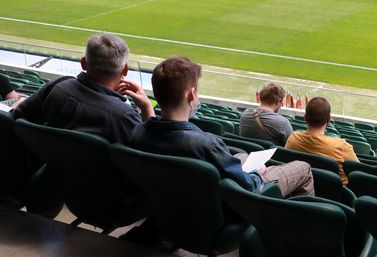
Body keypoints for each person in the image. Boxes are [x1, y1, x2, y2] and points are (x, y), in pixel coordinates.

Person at [129, 56, 313, 197]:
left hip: (176, 201)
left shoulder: (138, 133)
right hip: (227, 206)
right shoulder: (206, 144)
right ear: (191, 95)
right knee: (303, 167)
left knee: (242, 156)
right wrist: (258, 174)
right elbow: (250, 186)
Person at [14, 33, 154, 143]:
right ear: (125, 69)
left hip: (54, 170)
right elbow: (147, 154)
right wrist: (147, 109)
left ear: (83, 63)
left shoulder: (57, 86)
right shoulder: (123, 115)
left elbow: (19, 115)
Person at [285, 97, 357, 185]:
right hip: (333, 196)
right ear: (329, 119)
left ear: (305, 118)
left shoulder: (293, 138)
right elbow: (359, 172)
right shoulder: (342, 147)